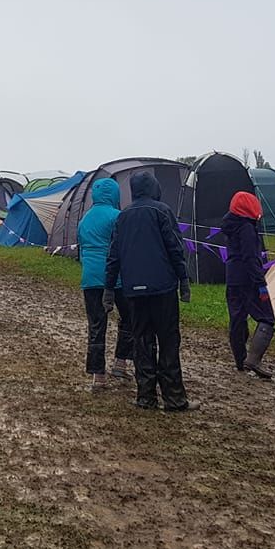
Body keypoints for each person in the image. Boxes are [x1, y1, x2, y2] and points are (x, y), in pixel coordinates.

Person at [103, 172, 194, 412]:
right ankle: (174, 399)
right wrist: (184, 279)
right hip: (162, 288)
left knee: (142, 343)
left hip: (134, 291)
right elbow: (175, 248)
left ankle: (146, 397)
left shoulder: (123, 217)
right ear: (154, 188)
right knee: (168, 341)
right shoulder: (162, 211)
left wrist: (109, 289)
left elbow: (114, 256)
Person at [78, 178, 133, 391]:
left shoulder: (84, 219)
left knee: (96, 325)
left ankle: (98, 376)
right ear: (115, 195)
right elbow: (124, 248)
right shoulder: (118, 217)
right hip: (115, 279)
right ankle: (121, 362)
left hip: (90, 279)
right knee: (128, 319)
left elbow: (82, 249)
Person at [221, 191, 275, 379]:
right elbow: (250, 257)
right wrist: (260, 283)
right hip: (249, 280)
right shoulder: (246, 228)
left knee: (237, 318)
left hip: (233, 277)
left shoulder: (231, 225)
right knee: (267, 318)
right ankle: (253, 359)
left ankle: (240, 360)